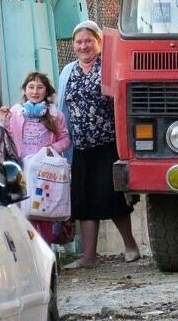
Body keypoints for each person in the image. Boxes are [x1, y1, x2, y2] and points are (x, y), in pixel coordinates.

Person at [59, 20, 140, 269]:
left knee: (110, 195)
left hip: (108, 144)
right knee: (83, 199)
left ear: (99, 42)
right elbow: (61, 108)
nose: (83, 46)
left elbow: (122, 100)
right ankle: (89, 256)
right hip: (81, 146)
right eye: (79, 42)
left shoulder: (108, 67)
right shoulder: (68, 71)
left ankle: (130, 245)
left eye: (88, 41)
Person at [0, 71, 70, 245]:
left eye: (40, 87)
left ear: (46, 91)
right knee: (24, 213)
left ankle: (48, 254)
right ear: (25, 90)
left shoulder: (55, 114)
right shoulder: (15, 112)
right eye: (31, 87)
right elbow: (5, 136)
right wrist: (3, 120)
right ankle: (29, 254)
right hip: (22, 171)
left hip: (44, 173)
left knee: (43, 214)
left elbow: (65, 139)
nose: (35, 91)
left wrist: (53, 148)